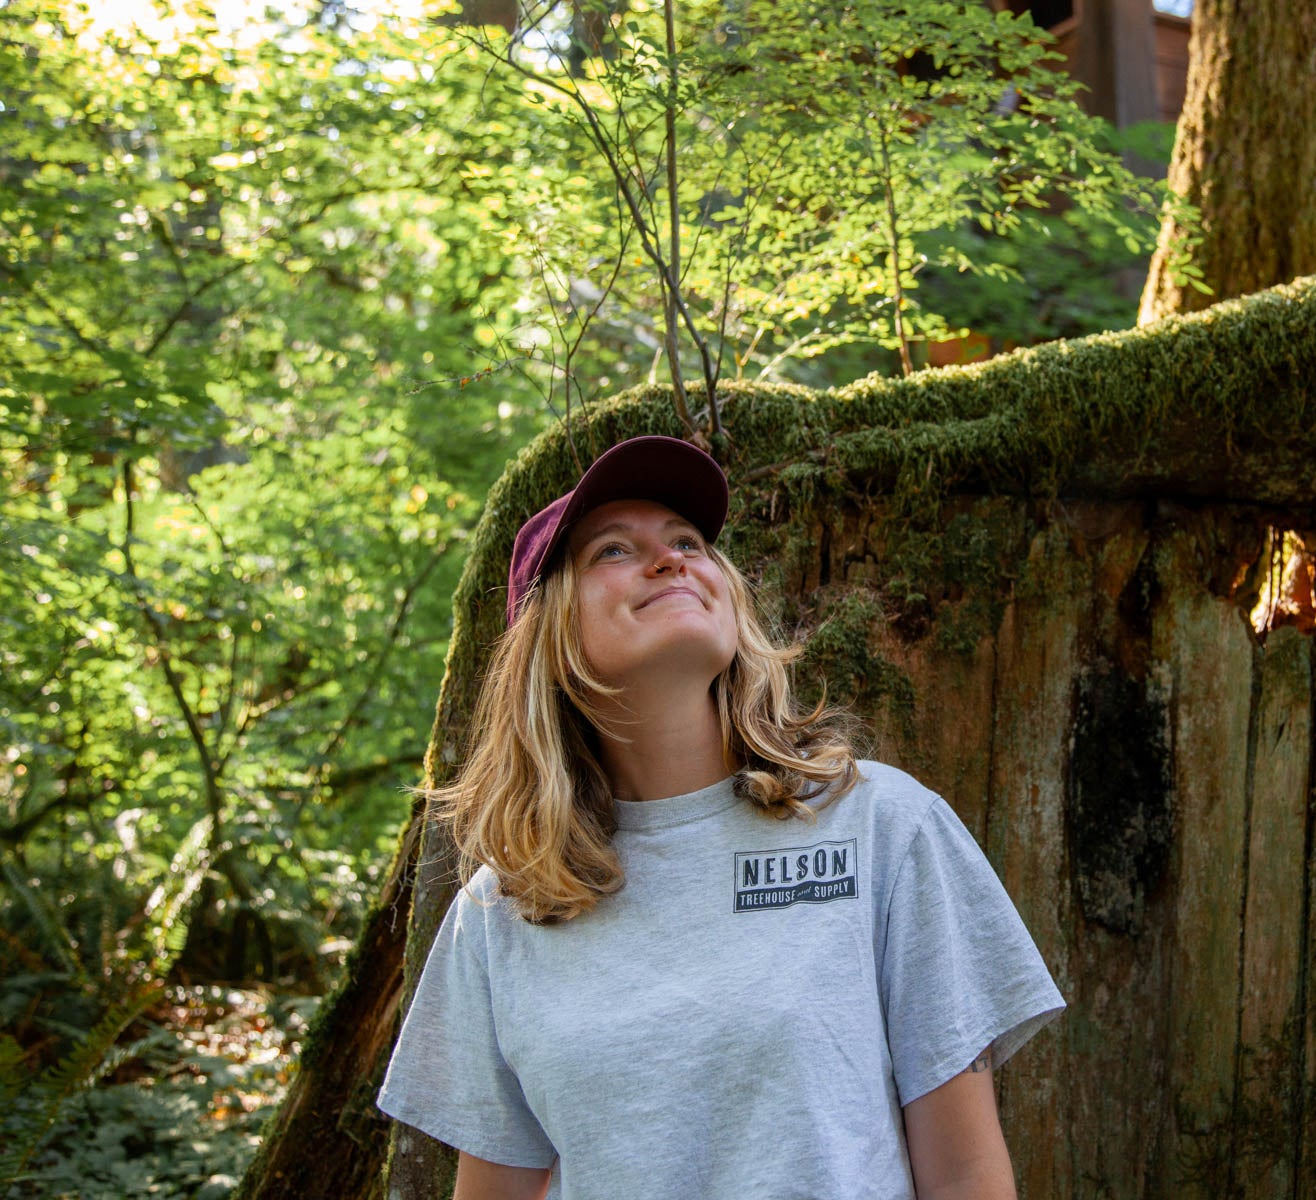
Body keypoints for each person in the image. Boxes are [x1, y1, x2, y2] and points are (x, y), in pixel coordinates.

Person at [376, 435, 1065, 1200]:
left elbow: (966, 1175)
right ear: (551, 637)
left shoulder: (881, 828)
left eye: (689, 542)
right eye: (612, 550)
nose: (671, 560)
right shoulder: (503, 910)